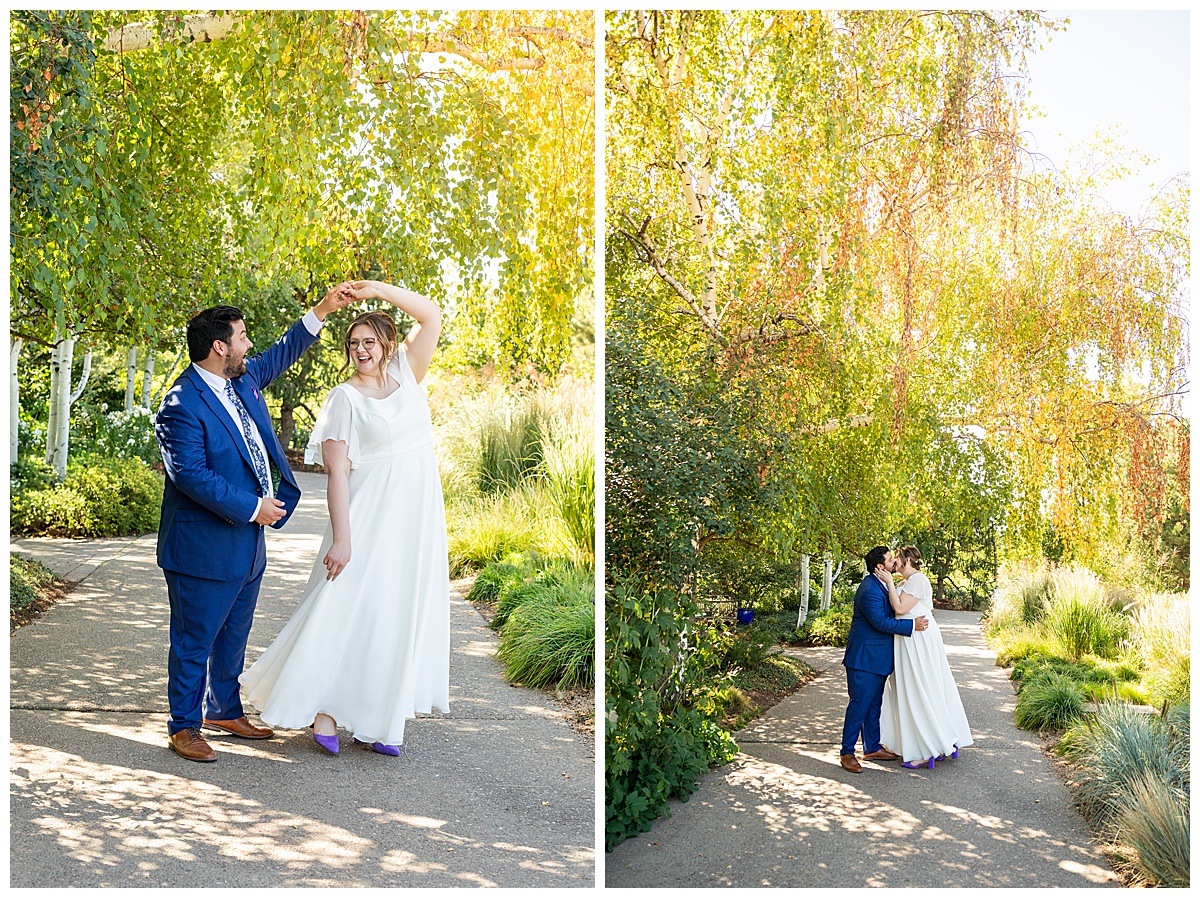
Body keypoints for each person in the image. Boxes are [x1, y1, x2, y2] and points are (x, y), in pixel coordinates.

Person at [240, 279, 450, 757]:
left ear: (387, 344)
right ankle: (324, 711)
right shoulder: (344, 399)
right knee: (346, 607)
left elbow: (431, 314)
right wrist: (343, 539)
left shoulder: (407, 372)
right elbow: (337, 475)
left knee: (391, 613)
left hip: (414, 517)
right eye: (353, 343)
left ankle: (376, 718)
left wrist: (375, 288)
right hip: (367, 515)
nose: (361, 350)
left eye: (369, 342)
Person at [155, 283, 358, 762]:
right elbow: (191, 476)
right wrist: (253, 507)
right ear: (219, 346)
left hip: (248, 544)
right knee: (193, 640)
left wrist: (324, 310)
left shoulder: (241, 380)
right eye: (243, 337)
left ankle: (223, 708)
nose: (251, 346)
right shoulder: (180, 404)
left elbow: (282, 353)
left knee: (234, 633)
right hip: (202, 546)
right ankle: (183, 727)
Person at [878, 546, 974, 769]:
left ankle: (927, 749)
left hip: (917, 641)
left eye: (897, 558)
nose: (894, 562)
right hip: (907, 639)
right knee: (918, 689)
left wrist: (890, 584)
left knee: (920, 689)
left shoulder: (918, 580)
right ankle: (938, 741)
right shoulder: (906, 583)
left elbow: (901, 609)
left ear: (908, 560)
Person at [840, 545, 929, 773]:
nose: (895, 562)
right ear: (880, 567)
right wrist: (911, 625)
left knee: (874, 705)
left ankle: (871, 747)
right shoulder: (869, 589)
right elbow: (880, 622)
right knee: (859, 705)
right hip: (864, 660)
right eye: (891, 560)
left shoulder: (883, 584)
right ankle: (846, 753)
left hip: (878, 659)